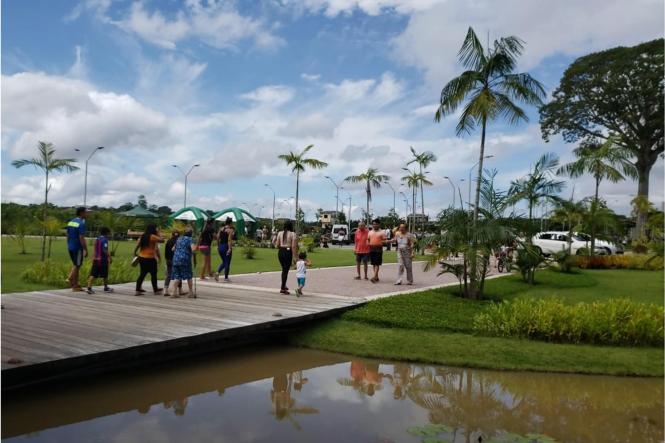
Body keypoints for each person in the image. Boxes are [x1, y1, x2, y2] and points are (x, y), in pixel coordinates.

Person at [134, 224, 164, 296]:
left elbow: (138, 245)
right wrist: (158, 233)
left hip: (142, 257)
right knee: (153, 274)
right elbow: (162, 240)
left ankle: (137, 290)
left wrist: (134, 252)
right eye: (156, 228)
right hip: (150, 258)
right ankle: (155, 290)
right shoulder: (152, 237)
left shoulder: (143, 236)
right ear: (153, 229)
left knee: (142, 274)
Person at [169, 228, 197, 298]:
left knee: (177, 276)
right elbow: (193, 249)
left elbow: (172, 249)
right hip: (185, 259)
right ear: (191, 234)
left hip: (175, 259)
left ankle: (174, 292)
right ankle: (190, 292)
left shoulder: (179, 239)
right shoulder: (190, 239)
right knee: (189, 275)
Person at [66, 207, 89, 292]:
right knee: (77, 265)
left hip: (70, 247)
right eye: (86, 212)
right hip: (78, 248)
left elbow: (67, 235)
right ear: (81, 213)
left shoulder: (70, 222)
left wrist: (68, 244)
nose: (88, 214)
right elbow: (81, 237)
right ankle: (71, 281)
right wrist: (85, 249)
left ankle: (75, 284)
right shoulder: (81, 224)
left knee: (76, 265)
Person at [86, 226, 113, 294]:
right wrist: (110, 257)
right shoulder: (104, 240)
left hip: (96, 259)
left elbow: (95, 249)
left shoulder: (97, 239)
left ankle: (89, 288)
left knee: (93, 274)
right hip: (102, 260)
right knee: (105, 274)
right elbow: (105, 250)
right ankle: (106, 287)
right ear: (106, 233)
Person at [274, 220, 297, 294]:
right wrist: (294, 257)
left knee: (284, 270)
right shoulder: (293, 234)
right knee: (285, 271)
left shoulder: (280, 233)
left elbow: (277, 245)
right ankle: (283, 288)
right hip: (288, 252)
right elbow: (293, 246)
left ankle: (283, 285)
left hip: (281, 252)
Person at [215, 217, 235, 283]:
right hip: (226, 246)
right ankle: (226, 278)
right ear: (231, 223)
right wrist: (229, 248)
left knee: (224, 262)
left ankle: (217, 272)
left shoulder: (221, 229)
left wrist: (218, 246)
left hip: (221, 246)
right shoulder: (230, 230)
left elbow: (217, 238)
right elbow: (229, 240)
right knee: (227, 263)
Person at [368, 219, 386, 283]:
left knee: (377, 263)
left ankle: (374, 277)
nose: (374, 225)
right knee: (373, 263)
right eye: (373, 224)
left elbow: (385, 240)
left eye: (376, 224)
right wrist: (368, 243)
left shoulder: (382, 232)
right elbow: (368, 239)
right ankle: (376, 277)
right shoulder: (370, 232)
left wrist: (380, 242)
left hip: (378, 249)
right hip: (371, 249)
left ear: (379, 224)